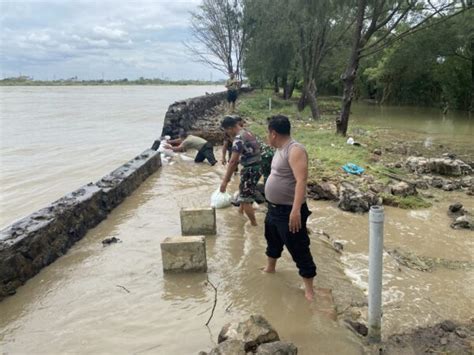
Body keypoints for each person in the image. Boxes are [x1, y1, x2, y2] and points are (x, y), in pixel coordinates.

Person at [263, 114, 317, 301]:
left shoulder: (295, 150)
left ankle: (309, 289)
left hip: (288, 211)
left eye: (267, 133)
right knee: (272, 240)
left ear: (274, 133)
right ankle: (270, 268)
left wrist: (295, 211)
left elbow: (301, 180)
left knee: (299, 247)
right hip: (274, 209)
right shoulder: (279, 149)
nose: (267, 137)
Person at [220, 116, 261, 226]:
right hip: (258, 166)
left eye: (226, 131)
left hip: (250, 169)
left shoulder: (238, 138)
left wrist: (225, 181)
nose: (227, 134)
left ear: (230, 128)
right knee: (243, 192)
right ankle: (240, 213)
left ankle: (254, 225)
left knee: (245, 199)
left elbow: (233, 161)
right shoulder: (248, 132)